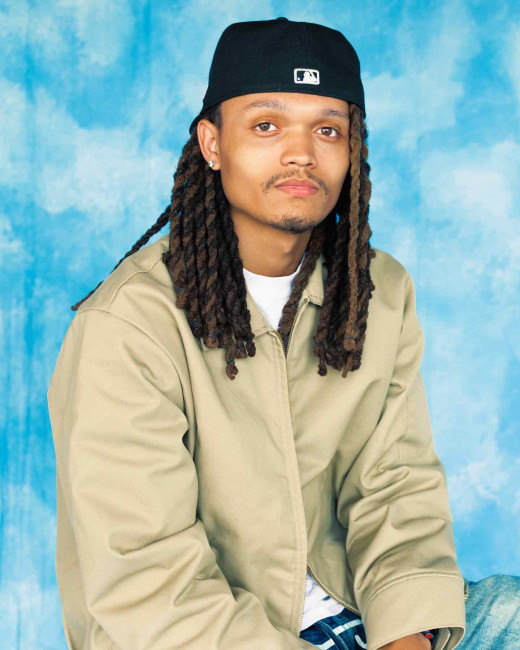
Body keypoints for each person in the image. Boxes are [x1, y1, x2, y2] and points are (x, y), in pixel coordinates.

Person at [47, 17, 520, 650]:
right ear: (212, 144)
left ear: (352, 150)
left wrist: (406, 635)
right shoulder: (128, 325)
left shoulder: (376, 292)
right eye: (266, 125)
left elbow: (395, 487)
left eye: (327, 130)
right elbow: (149, 580)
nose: (301, 153)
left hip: (360, 616)